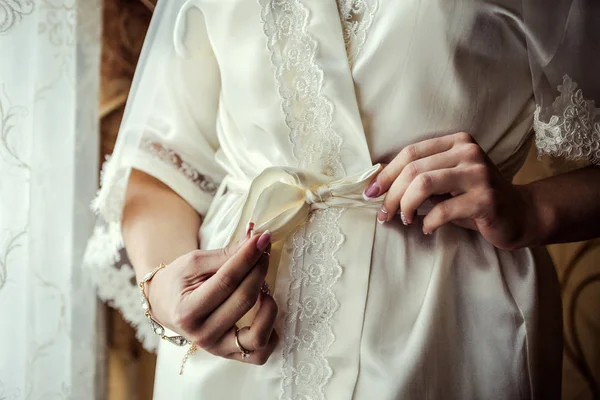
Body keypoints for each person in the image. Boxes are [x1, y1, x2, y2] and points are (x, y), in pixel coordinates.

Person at [84, 0, 600, 398]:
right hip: (233, 342)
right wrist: (167, 289)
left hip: (447, 335)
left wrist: (533, 211)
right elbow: (162, 165)